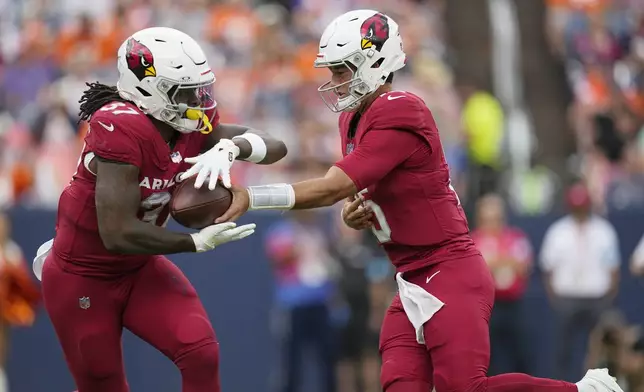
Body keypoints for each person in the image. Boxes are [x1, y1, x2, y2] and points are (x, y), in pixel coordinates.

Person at [209, 9, 623, 392]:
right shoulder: (351, 117)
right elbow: (361, 187)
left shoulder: (400, 109)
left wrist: (252, 196)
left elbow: (334, 185)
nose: (334, 80)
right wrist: (361, 212)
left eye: (342, 70)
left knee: (465, 387)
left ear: (374, 64)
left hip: (449, 270)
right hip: (411, 278)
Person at [32, 27, 287, 392]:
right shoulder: (120, 123)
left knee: (201, 351)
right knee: (104, 385)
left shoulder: (189, 126)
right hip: (82, 274)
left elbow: (277, 145)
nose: (197, 100)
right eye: (185, 91)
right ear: (148, 88)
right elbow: (116, 232)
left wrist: (234, 148)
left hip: (139, 268)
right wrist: (193, 243)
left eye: (199, 89)